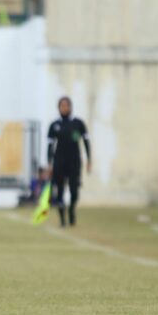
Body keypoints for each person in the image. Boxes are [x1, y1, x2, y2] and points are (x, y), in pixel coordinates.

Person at [47, 96, 91, 227]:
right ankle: (62, 220)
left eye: (66, 105)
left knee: (74, 191)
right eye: (62, 106)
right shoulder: (54, 125)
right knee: (59, 191)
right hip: (59, 161)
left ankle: (71, 209)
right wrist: (49, 163)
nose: (64, 108)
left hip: (74, 162)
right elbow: (50, 145)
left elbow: (86, 142)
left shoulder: (78, 124)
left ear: (70, 107)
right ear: (59, 108)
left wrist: (89, 160)